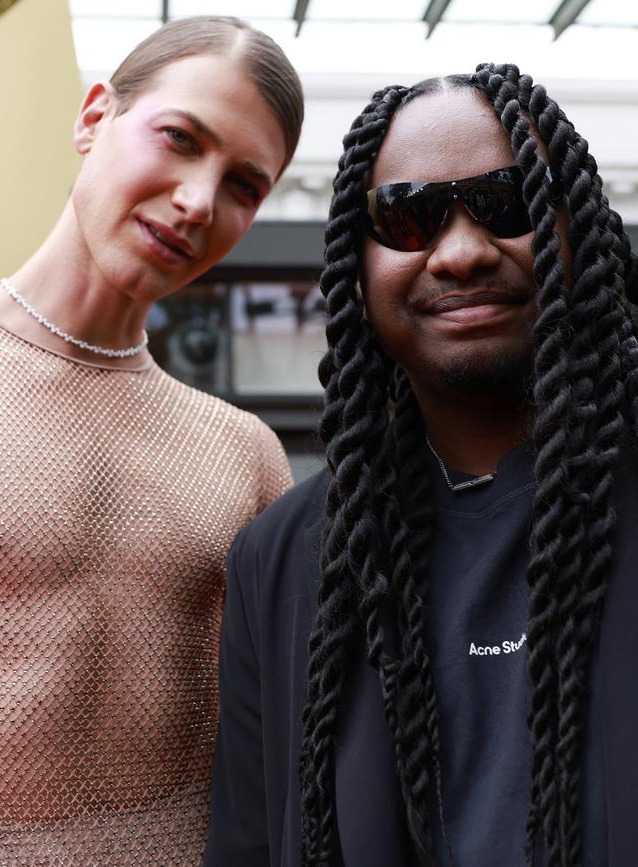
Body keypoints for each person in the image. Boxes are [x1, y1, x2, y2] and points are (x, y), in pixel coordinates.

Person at [203, 63, 638, 867]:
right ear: (357, 274)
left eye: (508, 202)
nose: (463, 251)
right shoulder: (283, 561)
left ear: (579, 226)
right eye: (409, 218)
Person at [0, 15, 303, 865]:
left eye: (244, 185)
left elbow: (283, 743)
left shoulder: (243, 452)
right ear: (94, 117)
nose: (198, 201)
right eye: (178, 138)